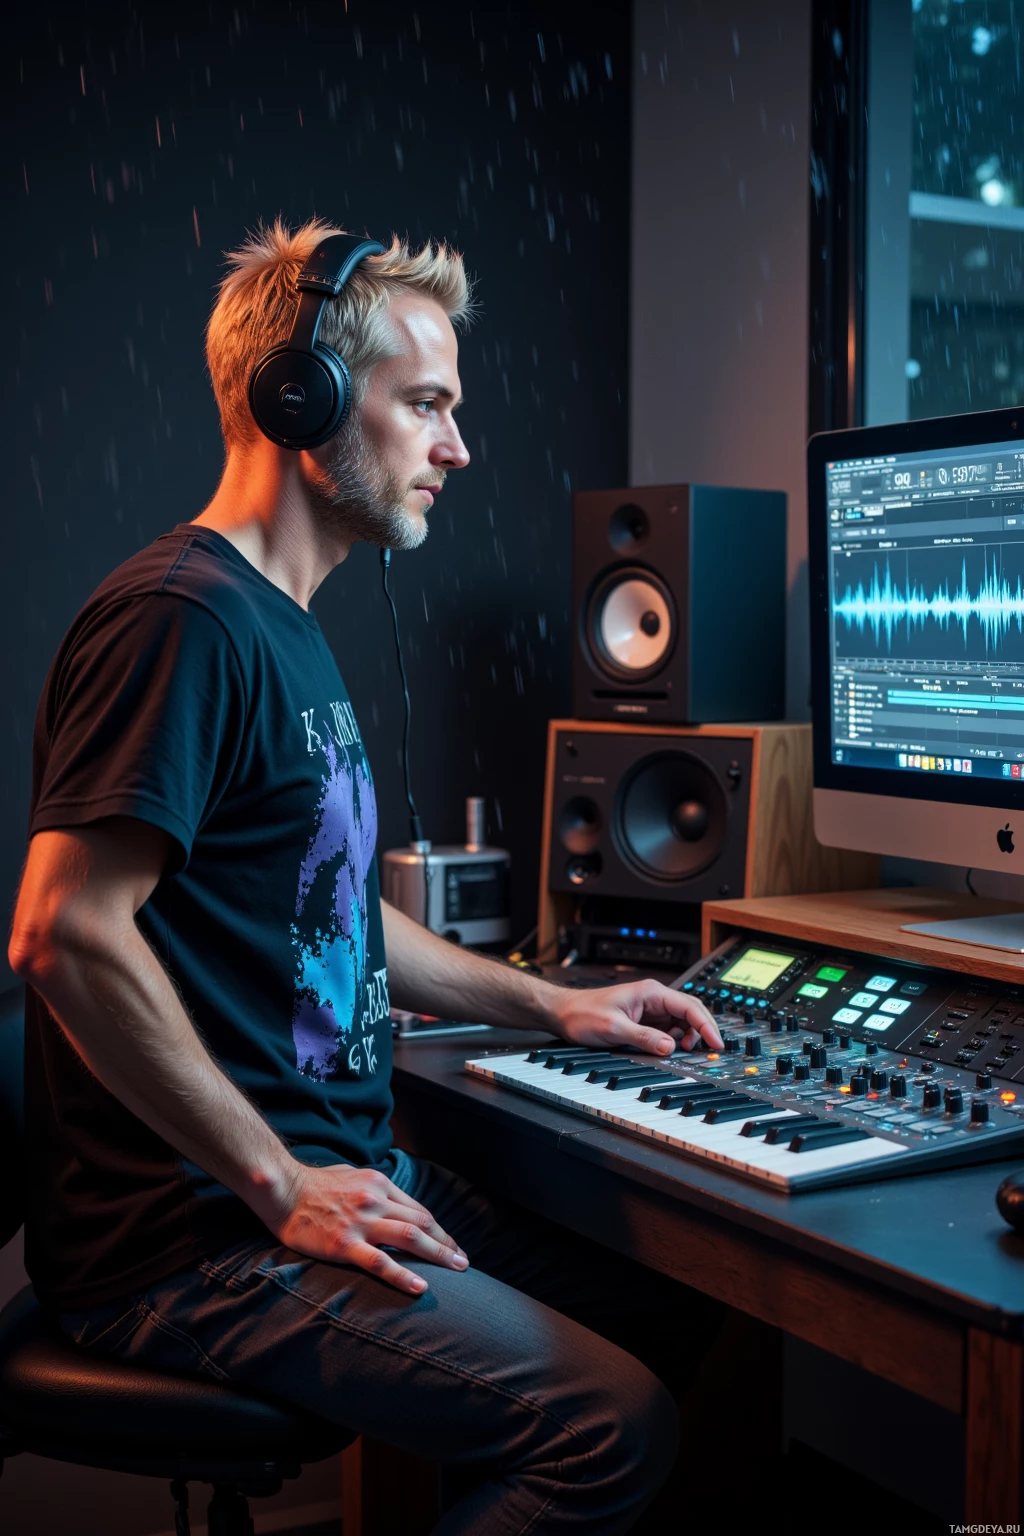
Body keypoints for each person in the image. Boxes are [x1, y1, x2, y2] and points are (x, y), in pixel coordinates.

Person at [8, 219, 723, 1535]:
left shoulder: (283, 627)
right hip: (196, 1241)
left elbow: (330, 913)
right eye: (428, 405)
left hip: (324, 1172)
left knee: (673, 1302)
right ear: (305, 399)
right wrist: (280, 1184)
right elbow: (62, 932)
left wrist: (552, 1005)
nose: (458, 448)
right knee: (607, 1427)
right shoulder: (181, 622)